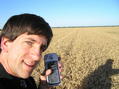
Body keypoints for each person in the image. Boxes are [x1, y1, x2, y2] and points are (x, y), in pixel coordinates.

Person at [0, 13, 62, 89]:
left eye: (42, 48)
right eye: (29, 43)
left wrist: (43, 86)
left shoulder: (28, 80)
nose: (37, 57)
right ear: (5, 44)